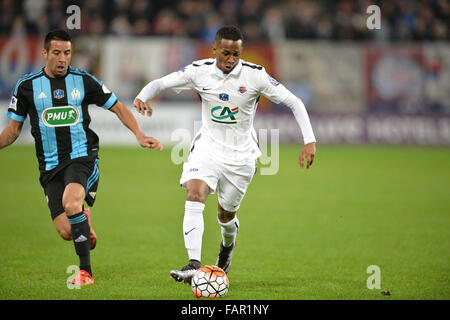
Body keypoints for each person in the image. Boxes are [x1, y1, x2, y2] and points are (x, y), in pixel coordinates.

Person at [134, 25, 316, 283]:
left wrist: (309, 141)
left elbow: (294, 102)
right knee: (195, 193)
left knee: (225, 215)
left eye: (236, 54)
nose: (230, 60)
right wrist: (143, 96)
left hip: (241, 158)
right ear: (215, 50)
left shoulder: (255, 76)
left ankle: (227, 247)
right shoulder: (199, 71)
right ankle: (194, 265)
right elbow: (161, 83)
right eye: (225, 53)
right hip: (207, 148)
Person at [0, 30, 162, 286]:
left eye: (67, 52)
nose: (62, 58)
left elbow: (118, 107)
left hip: (82, 157)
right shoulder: (26, 86)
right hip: (49, 166)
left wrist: (140, 135)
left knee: (71, 202)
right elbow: (12, 132)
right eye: (56, 53)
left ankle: (85, 272)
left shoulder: (83, 80)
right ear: (45, 54)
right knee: (67, 231)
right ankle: (81, 219)